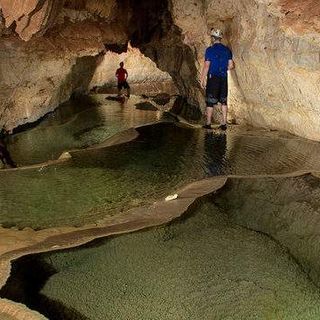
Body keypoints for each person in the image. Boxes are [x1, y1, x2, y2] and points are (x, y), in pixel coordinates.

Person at [200, 29, 235, 130]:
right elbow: (231, 66)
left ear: (212, 38)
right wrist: (224, 68)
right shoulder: (227, 50)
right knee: (223, 101)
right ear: (220, 38)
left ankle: (208, 123)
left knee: (210, 102)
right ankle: (224, 123)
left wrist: (202, 79)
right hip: (223, 78)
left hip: (213, 78)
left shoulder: (209, 50)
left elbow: (207, 66)